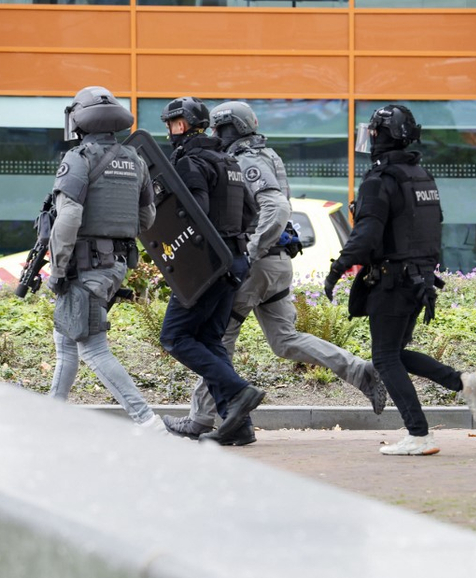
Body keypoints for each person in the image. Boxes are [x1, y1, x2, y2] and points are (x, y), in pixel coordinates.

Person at [162, 101, 388, 444]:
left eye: (216, 130)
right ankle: (359, 371)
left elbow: (276, 206)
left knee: (216, 338)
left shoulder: (245, 159)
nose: (212, 135)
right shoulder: (267, 154)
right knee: (285, 340)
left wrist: (248, 250)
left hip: (258, 264)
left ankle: (202, 418)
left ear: (227, 129)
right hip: (278, 262)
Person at [324, 104, 476, 456]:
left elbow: (366, 234)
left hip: (392, 281)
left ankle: (419, 433)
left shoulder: (380, 181)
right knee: (394, 353)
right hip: (419, 281)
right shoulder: (420, 177)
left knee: (384, 358)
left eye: (373, 134)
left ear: (383, 137)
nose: (370, 141)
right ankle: (461, 381)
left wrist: (339, 268)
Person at [46, 85, 166, 435]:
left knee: (93, 348)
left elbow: (67, 219)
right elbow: (147, 220)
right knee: (66, 339)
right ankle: (51, 418)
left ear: (79, 122)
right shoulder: (135, 161)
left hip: (84, 266)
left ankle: (147, 421)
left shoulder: (78, 158)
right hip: (113, 265)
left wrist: (57, 268)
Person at [157, 97, 266, 444]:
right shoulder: (228, 161)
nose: (171, 131)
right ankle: (240, 428)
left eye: (174, 124)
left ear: (186, 124)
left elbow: (194, 214)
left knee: (175, 337)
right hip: (233, 259)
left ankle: (240, 390)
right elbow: (250, 213)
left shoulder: (191, 162)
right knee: (209, 340)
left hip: (205, 263)